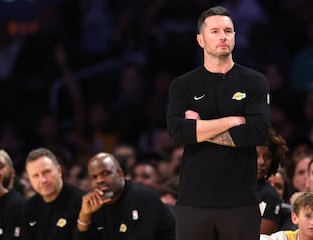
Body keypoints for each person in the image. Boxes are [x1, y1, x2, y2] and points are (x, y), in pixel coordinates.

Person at [166, 6, 270, 240]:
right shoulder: (182, 85)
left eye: (228, 31)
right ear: (200, 40)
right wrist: (232, 121)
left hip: (241, 202)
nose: (223, 36)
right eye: (215, 31)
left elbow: (256, 133)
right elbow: (177, 131)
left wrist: (200, 128)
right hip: (193, 201)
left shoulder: (255, 81)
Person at [73, 152, 175, 240]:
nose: (100, 180)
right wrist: (84, 216)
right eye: (94, 177)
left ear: (120, 174)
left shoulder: (142, 197)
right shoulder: (96, 203)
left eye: (105, 173)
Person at [21, 147, 85, 240]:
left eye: (46, 172)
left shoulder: (81, 201)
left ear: (59, 170)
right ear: (29, 180)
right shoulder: (29, 207)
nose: (43, 180)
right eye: (35, 176)